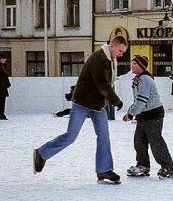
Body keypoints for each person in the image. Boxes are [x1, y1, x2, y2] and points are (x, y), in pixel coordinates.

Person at [33, 35, 128, 184]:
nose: (121, 54)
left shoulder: (110, 59)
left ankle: (104, 170)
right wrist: (116, 101)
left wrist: (109, 100)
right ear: (113, 45)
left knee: (104, 136)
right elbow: (102, 85)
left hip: (97, 105)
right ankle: (41, 153)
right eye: (121, 51)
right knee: (71, 136)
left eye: (123, 52)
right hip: (83, 103)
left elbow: (105, 85)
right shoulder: (99, 59)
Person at [123, 55, 173, 179]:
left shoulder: (145, 79)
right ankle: (142, 165)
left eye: (134, 64)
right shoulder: (138, 79)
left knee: (156, 142)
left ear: (141, 66)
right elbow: (137, 100)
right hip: (143, 115)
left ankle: (168, 167)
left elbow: (142, 99)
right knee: (139, 141)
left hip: (153, 114)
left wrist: (131, 114)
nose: (132, 66)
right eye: (132, 64)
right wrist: (130, 111)